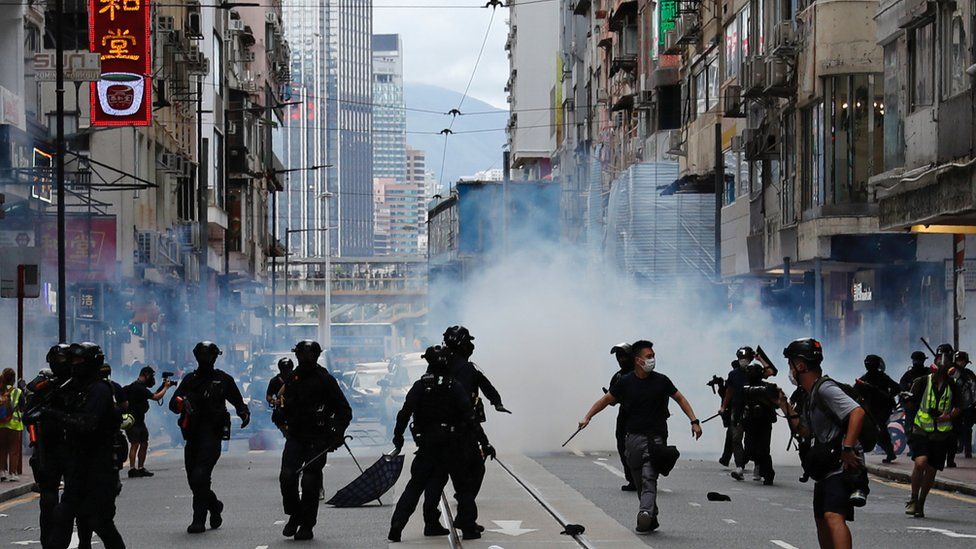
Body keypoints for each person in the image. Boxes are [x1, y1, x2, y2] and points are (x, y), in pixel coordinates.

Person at [578, 340, 703, 534]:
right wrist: (587, 417)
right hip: (633, 439)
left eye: (653, 356)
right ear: (637, 360)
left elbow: (680, 398)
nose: (652, 359)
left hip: (656, 439)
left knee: (648, 477)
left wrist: (694, 420)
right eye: (648, 356)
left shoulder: (662, 381)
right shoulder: (624, 381)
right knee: (638, 480)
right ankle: (651, 514)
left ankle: (644, 512)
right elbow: (606, 400)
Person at [388, 345, 489, 542]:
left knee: (415, 487)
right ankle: (468, 529)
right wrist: (484, 442)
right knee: (463, 487)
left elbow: (404, 413)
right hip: (453, 446)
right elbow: (470, 418)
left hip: (427, 446)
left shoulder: (420, 386)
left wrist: (398, 437)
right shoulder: (454, 386)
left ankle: (397, 527)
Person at [782, 338, 866, 549]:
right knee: (821, 519)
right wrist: (784, 406)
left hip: (841, 464)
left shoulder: (825, 389)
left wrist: (847, 448)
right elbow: (804, 431)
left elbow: (857, 412)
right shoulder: (809, 395)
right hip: (825, 465)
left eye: (791, 364)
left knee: (833, 516)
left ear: (800, 365)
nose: (790, 370)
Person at [169, 341, 250, 534]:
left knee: (200, 476)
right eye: (202, 356)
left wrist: (244, 413)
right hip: (192, 435)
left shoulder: (223, 380)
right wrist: (181, 403)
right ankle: (214, 505)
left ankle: (199, 520)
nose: (205, 359)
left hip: (212, 435)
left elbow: (238, 401)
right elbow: (173, 404)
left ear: (214, 357)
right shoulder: (189, 379)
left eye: (208, 355)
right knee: (193, 480)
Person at [51, 342, 126, 549]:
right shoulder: (75, 388)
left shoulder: (100, 390)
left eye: (78, 361)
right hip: (78, 464)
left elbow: (87, 423)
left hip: (99, 466)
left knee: (99, 521)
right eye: (72, 360)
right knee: (64, 514)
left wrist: (56, 415)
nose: (74, 365)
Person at [277, 341, 352, 541]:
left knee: (310, 481)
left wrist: (336, 432)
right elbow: (284, 405)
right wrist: (280, 414)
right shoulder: (293, 378)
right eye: (302, 354)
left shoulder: (325, 380)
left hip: (318, 438)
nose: (306, 358)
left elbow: (344, 410)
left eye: (310, 354)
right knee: (287, 476)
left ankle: (307, 525)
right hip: (295, 436)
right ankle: (295, 514)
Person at [903, 343, 962, 518]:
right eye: (940, 359)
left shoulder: (954, 384)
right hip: (921, 429)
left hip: (941, 434)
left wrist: (949, 416)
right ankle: (913, 499)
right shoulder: (922, 381)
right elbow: (910, 402)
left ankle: (921, 503)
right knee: (920, 463)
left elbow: (959, 406)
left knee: (931, 469)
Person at [23, 344, 73, 548]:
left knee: (70, 500)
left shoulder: (80, 385)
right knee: (49, 500)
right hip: (51, 448)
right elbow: (28, 415)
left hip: (72, 447)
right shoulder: (45, 386)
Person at [739, 362, 788, 485]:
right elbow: (741, 403)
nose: (752, 374)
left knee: (763, 450)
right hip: (750, 422)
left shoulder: (769, 387)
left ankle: (768, 475)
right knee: (749, 447)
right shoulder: (745, 388)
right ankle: (742, 467)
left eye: (754, 371)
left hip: (764, 423)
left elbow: (777, 404)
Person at [123, 366, 175, 478]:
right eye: (151, 376)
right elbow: (156, 397)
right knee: (135, 444)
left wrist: (163, 386)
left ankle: (140, 468)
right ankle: (132, 469)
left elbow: (152, 394)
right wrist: (166, 388)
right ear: (145, 375)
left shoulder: (139, 387)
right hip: (133, 421)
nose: (152, 378)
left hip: (140, 420)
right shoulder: (138, 387)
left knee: (144, 443)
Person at [855, 355, 901, 463]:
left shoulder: (880, 377)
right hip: (873, 410)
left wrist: (888, 396)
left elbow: (897, 388)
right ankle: (890, 452)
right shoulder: (865, 380)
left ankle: (890, 452)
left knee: (880, 430)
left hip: (882, 409)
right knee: (878, 431)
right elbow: (855, 392)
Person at [719, 347, 752, 479]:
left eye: (746, 358)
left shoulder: (755, 372)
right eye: (741, 358)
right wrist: (723, 406)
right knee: (736, 439)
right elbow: (729, 391)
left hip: (753, 412)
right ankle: (739, 467)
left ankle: (757, 465)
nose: (743, 361)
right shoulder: (733, 374)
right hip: (737, 410)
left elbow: (772, 372)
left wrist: (761, 359)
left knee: (751, 441)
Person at [609, 343, 636, 490]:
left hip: (642, 416)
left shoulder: (641, 373)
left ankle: (647, 477)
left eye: (623, 355)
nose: (621, 359)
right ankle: (632, 479)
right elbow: (611, 400)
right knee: (622, 446)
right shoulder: (618, 376)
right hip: (624, 416)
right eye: (618, 356)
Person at [948, 351, 976, 464]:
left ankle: (967, 451)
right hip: (954, 406)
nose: (961, 363)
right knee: (953, 432)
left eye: (963, 361)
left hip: (968, 405)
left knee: (967, 429)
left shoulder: (969, 373)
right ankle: (950, 458)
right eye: (959, 361)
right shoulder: (951, 371)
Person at [0, 368, 24, 481]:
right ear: (14, 379)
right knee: (14, 450)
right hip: (14, 425)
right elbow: (23, 408)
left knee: (2, 449)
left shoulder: (0, 391)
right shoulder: (18, 392)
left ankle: (2, 472)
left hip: (1, 424)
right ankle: (13, 473)